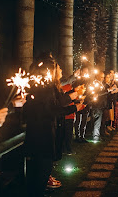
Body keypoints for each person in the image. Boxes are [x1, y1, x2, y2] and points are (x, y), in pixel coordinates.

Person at [23, 54, 83, 196]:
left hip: (40, 134)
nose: (61, 69)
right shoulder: (44, 88)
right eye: (58, 67)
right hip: (41, 135)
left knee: (40, 173)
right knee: (41, 172)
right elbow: (53, 109)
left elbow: (55, 104)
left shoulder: (44, 86)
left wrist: (73, 96)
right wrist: (74, 106)